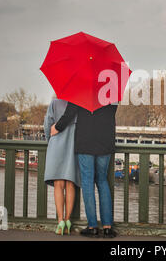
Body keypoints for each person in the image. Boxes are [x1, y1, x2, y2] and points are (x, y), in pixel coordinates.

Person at [51, 102, 118, 238]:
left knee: (87, 182)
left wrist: (57, 127)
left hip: (85, 140)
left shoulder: (80, 87)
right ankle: (107, 227)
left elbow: (70, 113)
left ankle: (92, 226)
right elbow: (112, 112)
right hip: (106, 139)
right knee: (102, 180)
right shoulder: (111, 89)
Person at [44, 97, 81, 236]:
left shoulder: (54, 102)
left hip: (56, 144)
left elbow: (48, 123)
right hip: (73, 144)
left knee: (58, 184)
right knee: (70, 184)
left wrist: (50, 140)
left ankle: (60, 220)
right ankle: (68, 220)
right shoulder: (79, 102)